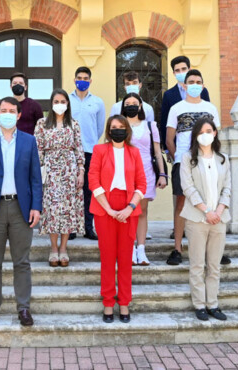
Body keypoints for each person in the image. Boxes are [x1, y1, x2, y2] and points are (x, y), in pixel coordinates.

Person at [0, 97, 43, 327]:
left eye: (12, 111)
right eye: (3, 110)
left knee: (22, 262)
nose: (7, 114)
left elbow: (35, 178)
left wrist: (36, 207)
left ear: (19, 115)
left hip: (22, 208)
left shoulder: (29, 141)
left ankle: (24, 308)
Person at [88, 115, 146, 324]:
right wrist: (109, 209)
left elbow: (142, 184)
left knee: (125, 258)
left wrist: (130, 208)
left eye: (121, 127)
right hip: (105, 206)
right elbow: (93, 180)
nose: (118, 130)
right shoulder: (100, 150)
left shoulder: (134, 152)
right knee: (107, 258)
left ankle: (124, 302)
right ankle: (107, 302)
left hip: (128, 207)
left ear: (127, 130)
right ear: (108, 130)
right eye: (114, 127)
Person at [165, 69, 220, 266]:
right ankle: (177, 248)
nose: (194, 85)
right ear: (184, 85)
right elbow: (169, 139)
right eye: (191, 82)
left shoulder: (210, 108)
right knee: (181, 204)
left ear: (203, 86)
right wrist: (178, 159)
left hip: (207, 162)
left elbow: (217, 136)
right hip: (183, 162)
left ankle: (213, 249)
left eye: (198, 82)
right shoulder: (176, 108)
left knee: (210, 203)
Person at [180, 118, 231, 321]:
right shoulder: (188, 158)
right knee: (197, 264)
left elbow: (227, 188)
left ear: (215, 133)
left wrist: (218, 210)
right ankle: (200, 304)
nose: (205, 135)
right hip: (196, 219)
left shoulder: (223, 159)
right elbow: (188, 188)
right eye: (201, 132)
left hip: (219, 219)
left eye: (209, 131)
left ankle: (213, 304)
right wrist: (206, 211)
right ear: (195, 135)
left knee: (214, 265)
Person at [34, 89, 85, 267]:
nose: (59, 104)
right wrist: (39, 172)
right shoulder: (42, 123)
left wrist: (81, 171)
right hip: (50, 171)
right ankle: (53, 248)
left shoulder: (74, 124)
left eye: (63, 101)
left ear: (68, 103)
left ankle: (63, 248)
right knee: (52, 210)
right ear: (51, 103)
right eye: (56, 101)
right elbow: (38, 149)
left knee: (67, 210)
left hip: (70, 170)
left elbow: (79, 148)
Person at [121, 93, 167, 266]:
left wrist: (162, 174)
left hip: (146, 171)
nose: (131, 106)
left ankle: (141, 249)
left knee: (141, 211)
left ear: (140, 106)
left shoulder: (150, 125)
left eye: (134, 103)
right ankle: (130, 248)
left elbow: (157, 152)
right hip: (124, 172)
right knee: (127, 211)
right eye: (127, 103)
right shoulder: (119, 124)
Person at [69, 67, 105, 240]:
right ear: (74, 80)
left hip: (90, 151)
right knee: (70, 189)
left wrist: (90, 142)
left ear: (90, 81)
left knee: (88, 191)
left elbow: (99, 127)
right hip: (69, 151)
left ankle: (88, 227)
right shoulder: (67, 100)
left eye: (85, 78)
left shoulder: (97, 102)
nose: (82, 81)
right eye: (79, 78)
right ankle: (71, 228)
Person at [159, 56, 210, 149]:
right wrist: (167, 149)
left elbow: (208, 116)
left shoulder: (202, 91)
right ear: (174, 73)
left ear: (189, 69)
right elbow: (165, 122)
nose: (181, 72)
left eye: (183, 69)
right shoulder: (168, 95)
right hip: (179, 146)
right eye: (177, 70)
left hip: (201, 143)